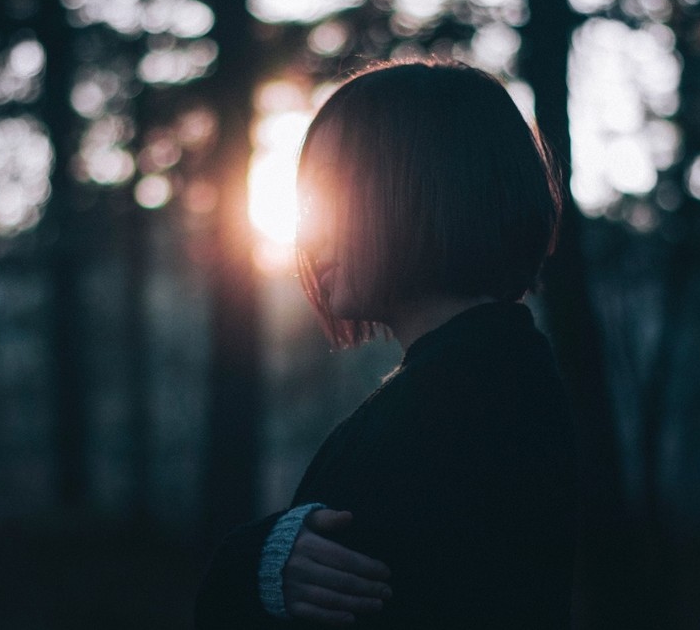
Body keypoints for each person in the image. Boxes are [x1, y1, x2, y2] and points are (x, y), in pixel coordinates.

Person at [195, 59, 576, 628]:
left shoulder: (456, 408)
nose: (310, 231)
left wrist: (252, 570)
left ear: (423, 191)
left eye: (332, 193)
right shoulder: (482, 382)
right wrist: (265, 563)